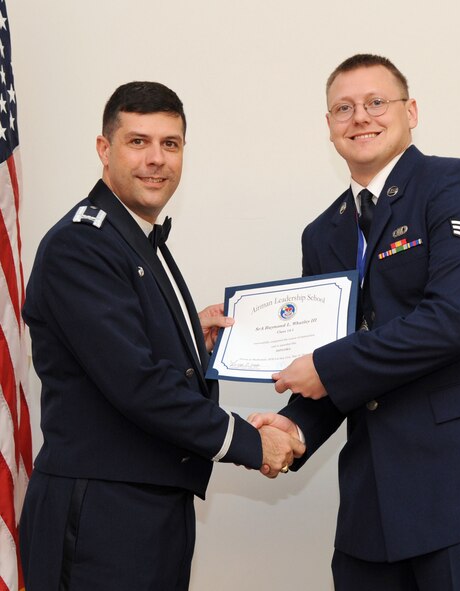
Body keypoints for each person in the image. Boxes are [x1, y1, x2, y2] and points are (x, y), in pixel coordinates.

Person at [249, 54, 460, 590]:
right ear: (329, 127)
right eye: (343, 108)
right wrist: (294, 427)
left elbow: (453, 320)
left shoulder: (456, 184)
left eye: (375, 102)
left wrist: (325, 365)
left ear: (410, 111)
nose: (360, 117)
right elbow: (332, 359)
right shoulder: (324, 233)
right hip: (374, 508)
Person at [20, 81, 305, 590]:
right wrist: (250, 442)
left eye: (170, 144)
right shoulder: (80, 245)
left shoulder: (136, 239)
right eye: (138, 141)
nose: (156, 159)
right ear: (104, 149)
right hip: (101, 515)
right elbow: (138, 383)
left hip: (146, 507)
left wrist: (190, 338)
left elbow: (116, 346)